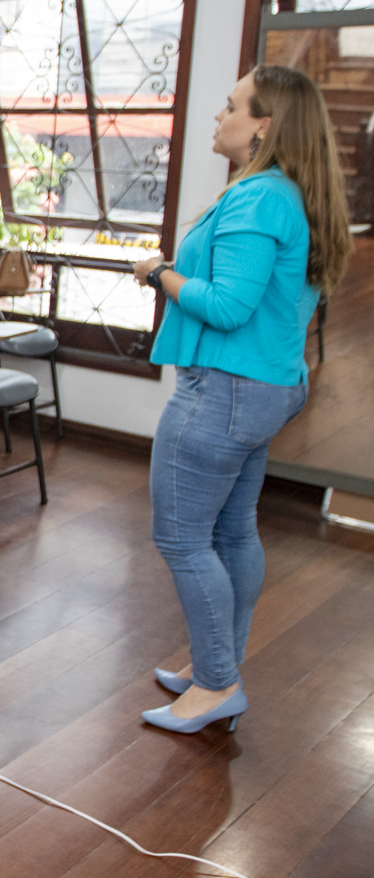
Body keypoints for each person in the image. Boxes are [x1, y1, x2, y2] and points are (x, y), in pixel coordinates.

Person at [132, 65, 351, 735]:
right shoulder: (286, 195)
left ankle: (216, 682)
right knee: (229, 531)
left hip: (224, 390)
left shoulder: (259, 198)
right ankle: (212, 667)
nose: (216, 116)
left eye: (230, 106)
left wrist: (158, 273)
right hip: (264, 388)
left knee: (180, 536)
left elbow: (226, 308)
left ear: (263, 124)